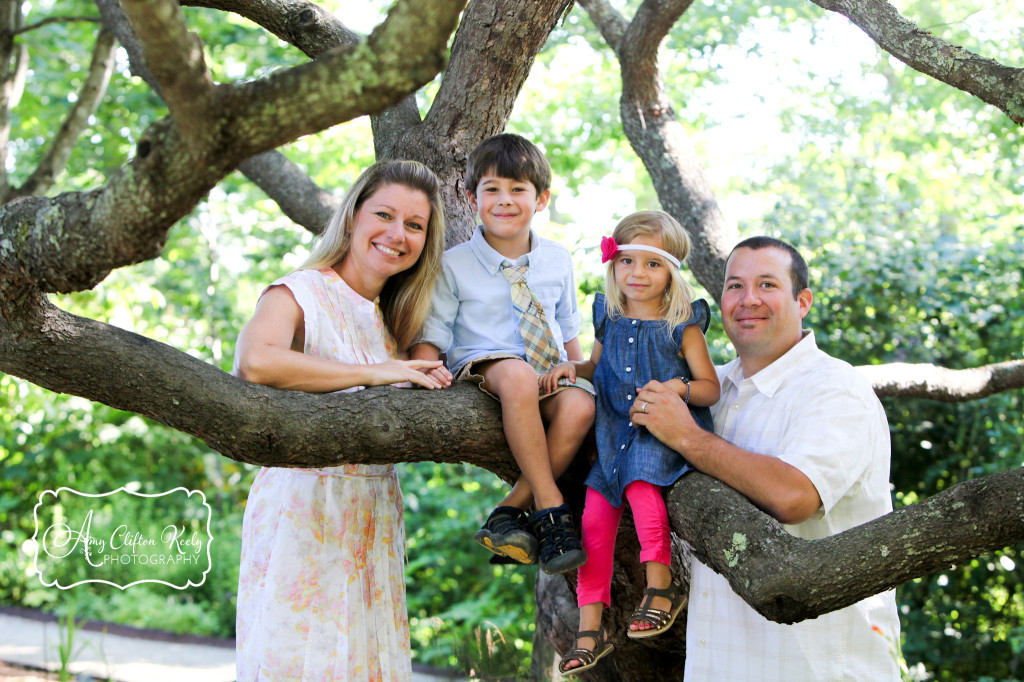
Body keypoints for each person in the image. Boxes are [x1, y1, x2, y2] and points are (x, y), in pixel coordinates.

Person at [631, 236, 902, 681]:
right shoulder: (707, 390)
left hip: (817, 670)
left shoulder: (835, 388)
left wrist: (688, 438)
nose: (748, 299)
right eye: (735, 286)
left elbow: (795, 496)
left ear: (804, 301)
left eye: (767, 285)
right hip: (718, 667)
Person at [232, 160, 451, 682]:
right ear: (353, 216)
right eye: (385, 214)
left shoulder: (396, 322)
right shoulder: (301, 290)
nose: (398, 234)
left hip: (373, 514)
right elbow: (255, 361)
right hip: (303, 508)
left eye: (415, 226)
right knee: (296, 663)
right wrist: (373, 373)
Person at [544, 211, 721, 676]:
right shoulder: (610, 319)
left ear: (671, 273)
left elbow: (709, 386)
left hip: (657, 437)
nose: (637, 274)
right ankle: (591, 627)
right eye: (627, 262)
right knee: (594, 526)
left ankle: (661, 587)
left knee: (644, 493)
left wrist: (677, 389)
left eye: (652, 264)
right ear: (613, 267)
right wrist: (572, 369)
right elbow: (595, 367)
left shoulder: (682, 326)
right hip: (610, 442)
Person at [411, 133, 595, 575]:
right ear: (474, 198)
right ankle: (551, 509)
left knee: (579, 406)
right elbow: (434, 330)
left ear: (542, 198)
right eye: (491, 189)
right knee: (515, 375)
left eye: (518, 189)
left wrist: (575, 369)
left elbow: (568, 328)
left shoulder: (557, 259)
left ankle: (508, 512)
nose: (504, 200)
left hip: (546, 369)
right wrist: (419, 372)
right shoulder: (453, 263)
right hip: (486, 365)